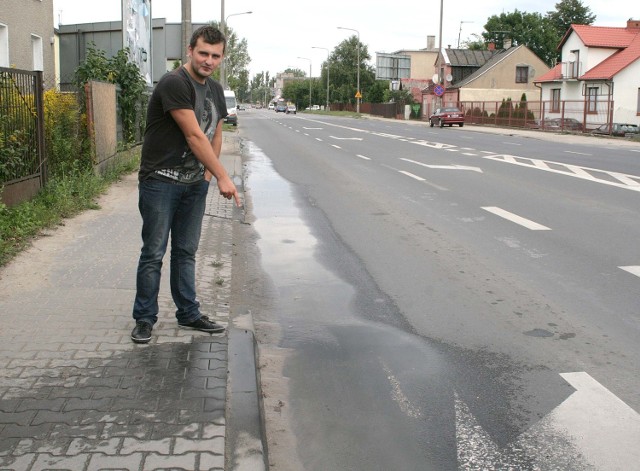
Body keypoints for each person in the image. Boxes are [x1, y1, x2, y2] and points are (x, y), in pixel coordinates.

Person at [131, 25, 240, 344]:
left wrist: (207, 175)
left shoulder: (217, 90)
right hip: (160, 182)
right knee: (153, 252)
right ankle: (144, 318)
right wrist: (222, 175)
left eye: (215, 55)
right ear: (190, 50)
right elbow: (194, 134)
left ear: (221, 58)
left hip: (194, 184)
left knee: (186, 251)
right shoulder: (174, 83)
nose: (208, 60)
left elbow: (214, 133)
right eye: (203, 52)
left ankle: (188, 313)